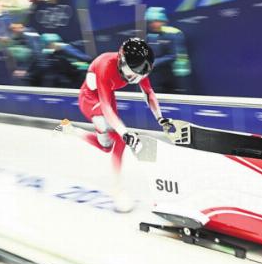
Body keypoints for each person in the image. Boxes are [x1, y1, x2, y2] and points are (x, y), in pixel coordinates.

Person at [56, 38, 174, 212]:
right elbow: (105, 108)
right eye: (132, 73)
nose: (135, 78)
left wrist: (160, 118)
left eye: (140, 74)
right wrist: (124, 133)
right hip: (90, 99)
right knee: (117, 138)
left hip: (107, 96)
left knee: (107, 147)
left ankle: (69, 129)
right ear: (121, 61)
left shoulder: (140, 67)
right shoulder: (105, 65)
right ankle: (117, 190)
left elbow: (148, 93)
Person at [144, 7, 191, 93]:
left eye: (156, 21)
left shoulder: (174, 33)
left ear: (163, 21)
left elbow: (175, 55)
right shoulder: (150, 36)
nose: (153, 24)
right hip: (157, 77)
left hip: (176, 77)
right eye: (151, 21)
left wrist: (155, 62)